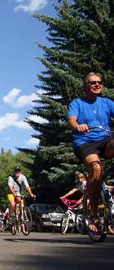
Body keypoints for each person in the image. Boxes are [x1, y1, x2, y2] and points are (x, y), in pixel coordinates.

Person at [68, 72, 114, 232]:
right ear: (85, 86)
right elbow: (72, 119)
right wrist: (77, 126)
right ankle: (93, 213)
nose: (97, 85)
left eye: (99, 82)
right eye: (93, 82)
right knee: (96, 168)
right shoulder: (77, 103)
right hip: (85, 142)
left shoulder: (107, 103)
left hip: (105, 139)